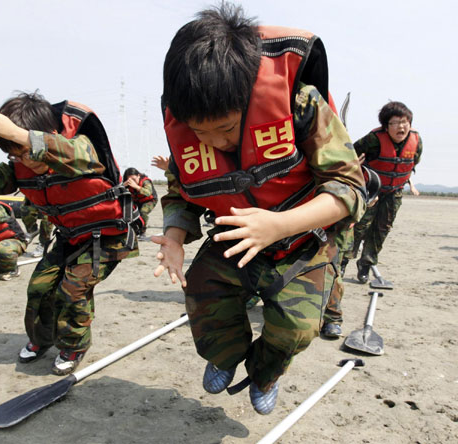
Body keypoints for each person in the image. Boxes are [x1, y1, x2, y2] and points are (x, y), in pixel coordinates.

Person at [153, 3, 366, 415]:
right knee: (202, 297)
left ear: (247, 92)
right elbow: (181, 192)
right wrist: (175, 237)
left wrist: (279, 224)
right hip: (235, 237)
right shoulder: (187, 120)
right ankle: (225, 354)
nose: (215, 142)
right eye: (201, 132)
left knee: (297, 330)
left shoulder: (300, 103)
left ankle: (265, 374)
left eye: (226, 128)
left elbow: (349, 187)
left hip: (303, 237)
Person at [0, 92, 141, 375]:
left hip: (108, 235)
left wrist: (18, 134)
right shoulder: (21, 162)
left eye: (26, 149)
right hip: (69, 236)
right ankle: (42, 339)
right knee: (39, 287)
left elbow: (79, 156)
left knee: (73, 289)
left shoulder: (78, 145)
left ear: (45, 133)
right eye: (16, 154)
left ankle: (75, 345)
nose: (26, 159)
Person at [343, 101, 423, 283]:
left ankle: (366, 264)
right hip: (370, 191)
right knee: (358, 227)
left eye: (404, 122)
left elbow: (413, 163)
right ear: (386, 127)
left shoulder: (417, 142)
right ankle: (342, 262)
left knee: (381, 230)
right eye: (395, 123)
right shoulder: (373, 139)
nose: (401, 127)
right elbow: (351, 155)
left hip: (393, 193)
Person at [123, 167, 158, 238]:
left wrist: (136, 187)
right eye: (130, 180)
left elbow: (148, 192)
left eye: (134, 179)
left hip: (149, 200)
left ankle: (143, 232)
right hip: (137, 201)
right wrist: (123, 186)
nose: (132, 181)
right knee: (128, 212)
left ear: (138, 176)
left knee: (143, 212)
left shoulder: (145, 181)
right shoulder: (127, 183)